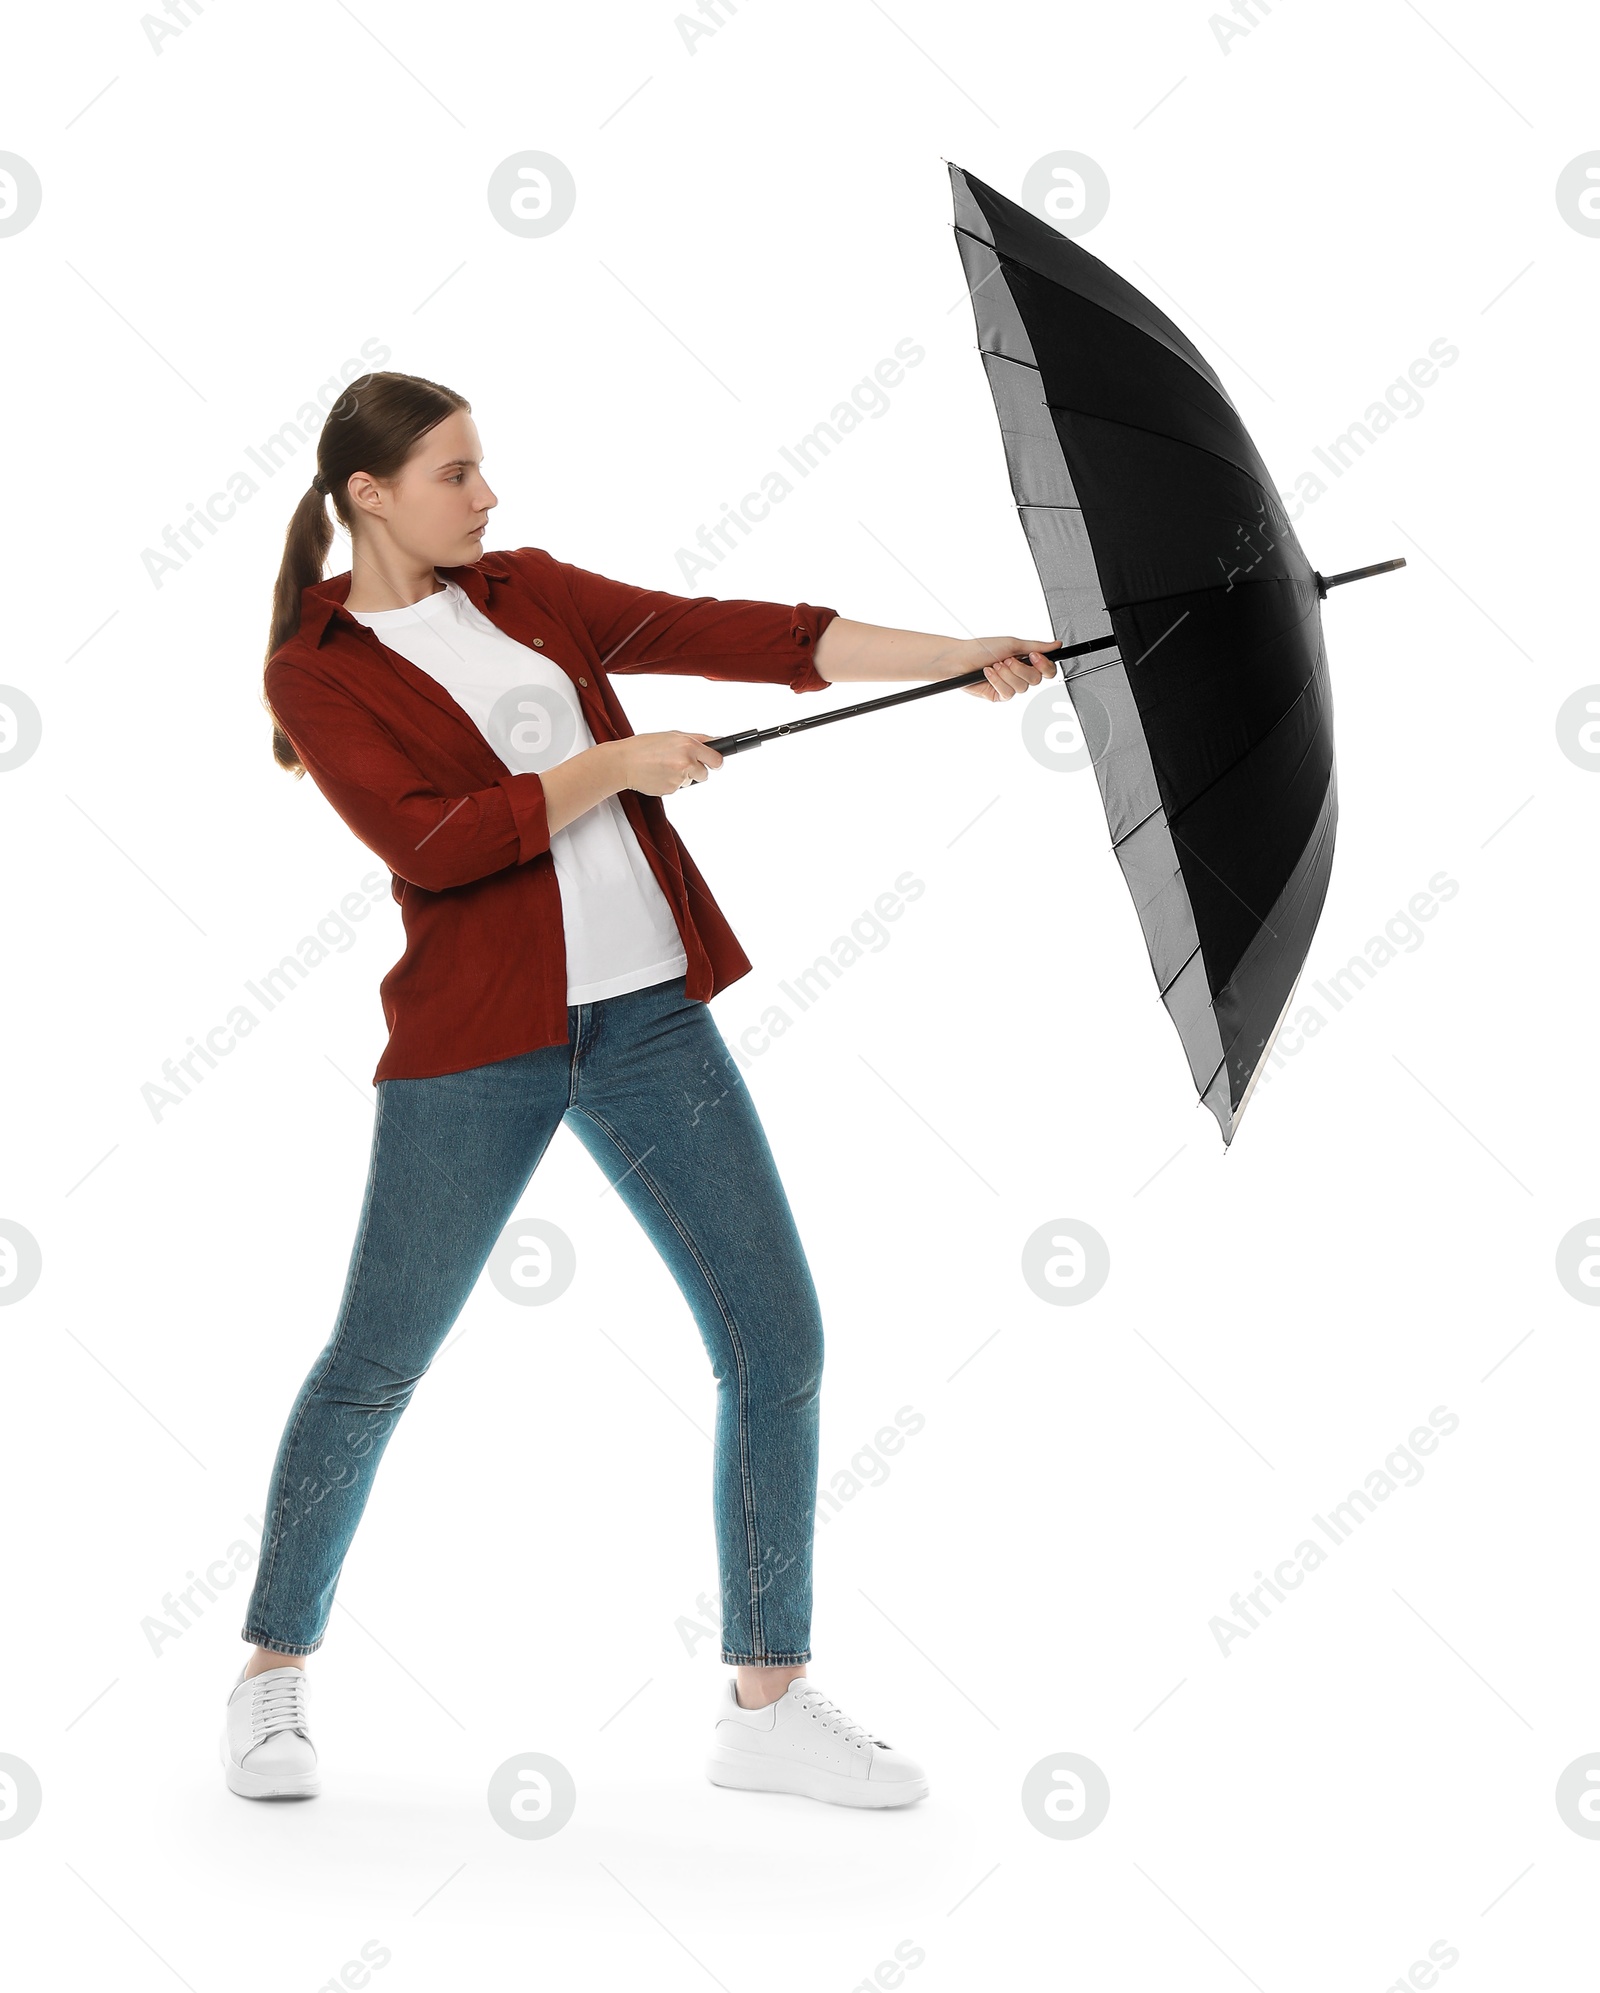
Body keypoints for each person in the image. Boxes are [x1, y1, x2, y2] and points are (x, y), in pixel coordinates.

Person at [220, 369, 1053, 1812]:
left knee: (774, 1334)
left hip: (649, 1020)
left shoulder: (528, 590)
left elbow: (741, 634)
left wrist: (960, 651)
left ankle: (768, 1698)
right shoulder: (318, 667)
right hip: (482, 1044)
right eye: (457, 473)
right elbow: (436, 846)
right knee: (375, 1364)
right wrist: (609, 761)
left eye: (484, 469)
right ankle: (270, 1670)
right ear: (367, 495)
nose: (489, 496)